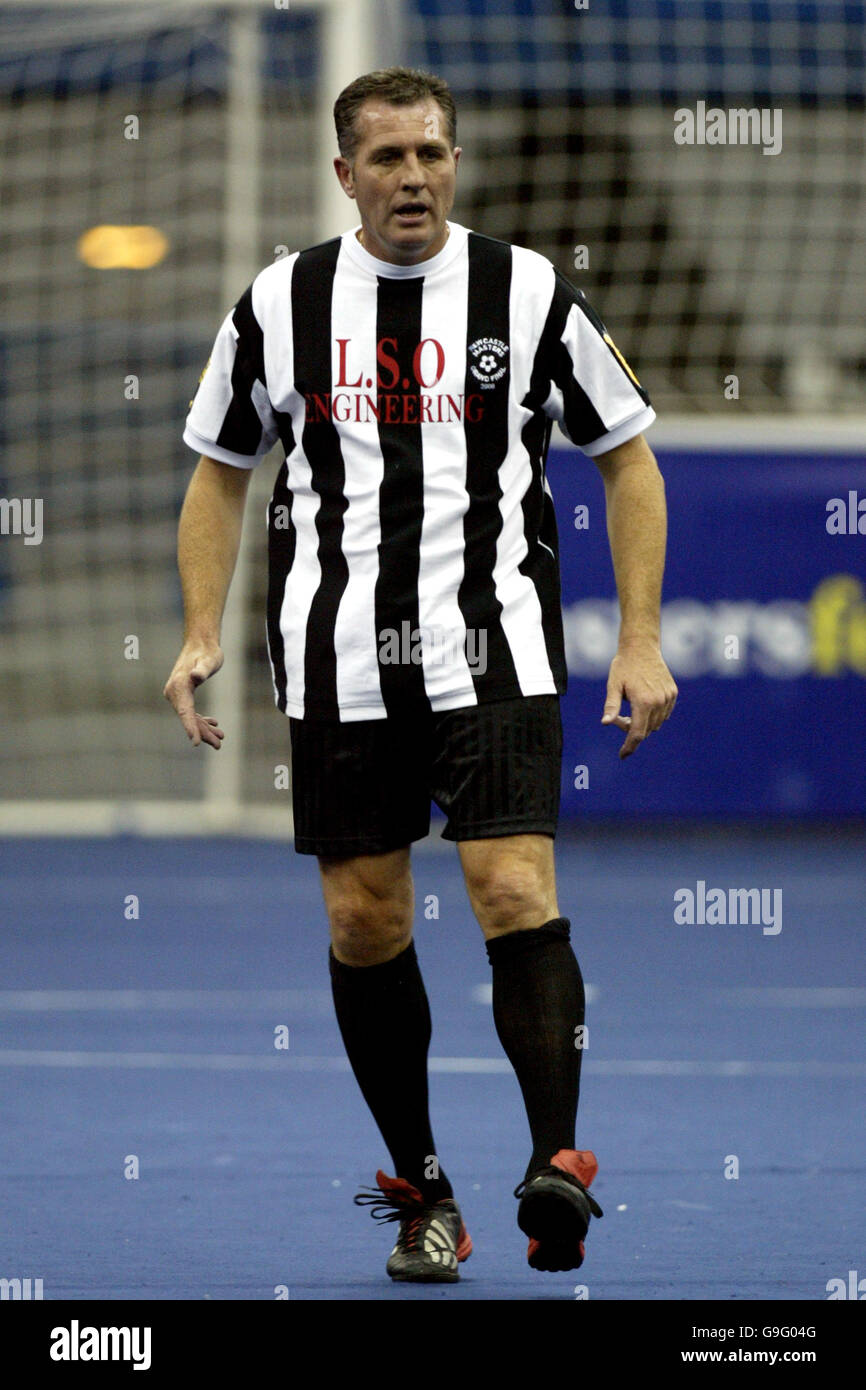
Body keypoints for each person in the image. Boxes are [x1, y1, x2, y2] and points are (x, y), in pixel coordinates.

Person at [164, 66, 677, 1284]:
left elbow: (628, 459)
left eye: (431, 154)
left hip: (492, 646)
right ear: (344, 174)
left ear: (454, 162)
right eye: (388, 158)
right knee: (364, 919)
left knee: (510, 885)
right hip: (336, 658)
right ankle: (421, 1193)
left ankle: (556, 1166)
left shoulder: (528, 291)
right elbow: (219, 472)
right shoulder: (279, 303)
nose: (413, 178)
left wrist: (640, 635)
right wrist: (196, 631)